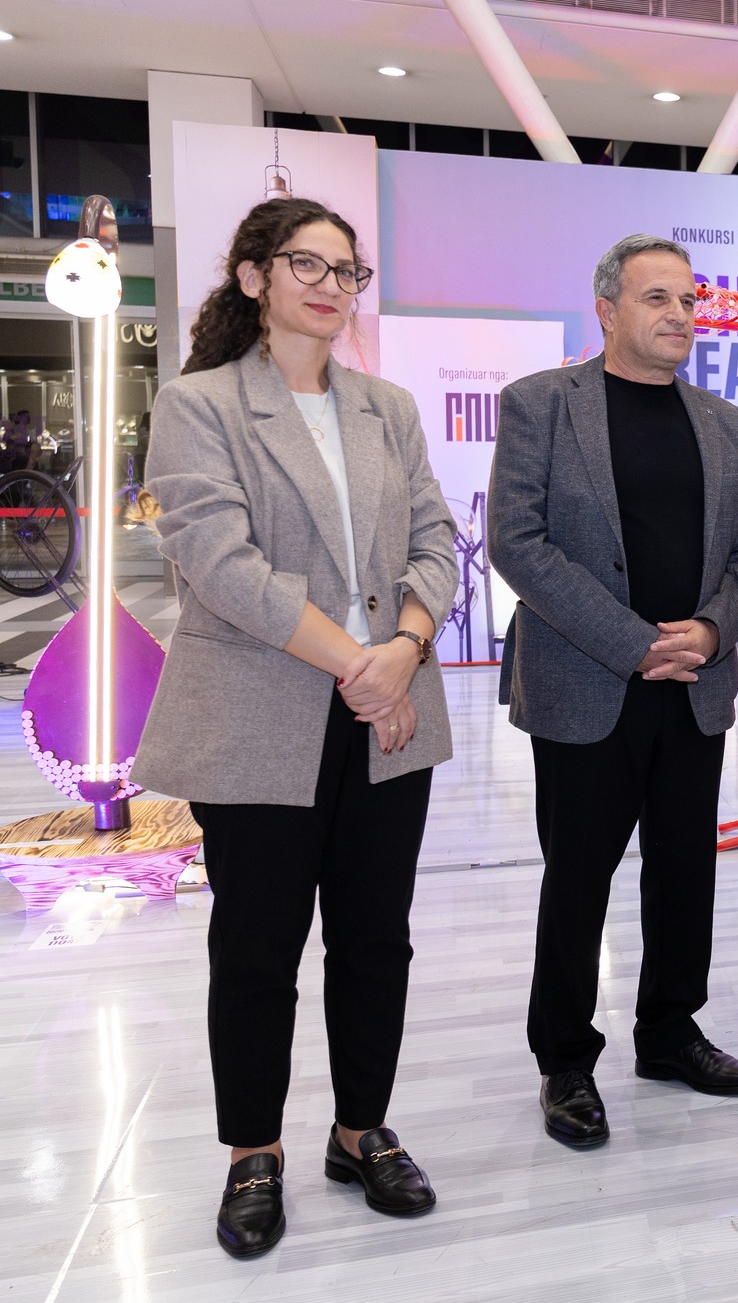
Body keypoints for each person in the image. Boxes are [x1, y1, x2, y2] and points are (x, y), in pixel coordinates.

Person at [133, 198, 456, 1256]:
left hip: (389, 716)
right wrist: (362, 664)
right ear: (253, 277)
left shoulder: (386, 407)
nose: (329, 285)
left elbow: (437, 541)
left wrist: (403, 649)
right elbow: (222, 567)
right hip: (261, 714)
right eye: (305, 264)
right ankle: (253, 1153)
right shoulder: (200, 403)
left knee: (376, 939)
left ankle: (360, 1132)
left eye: (345, 270)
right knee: (257, 950)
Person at [489, 235, 738, 1147]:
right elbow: (518, 542)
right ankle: (566, 1059)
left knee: (686, 871)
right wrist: (633, 642)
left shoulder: (720, 419)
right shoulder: (541, 403)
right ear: (608, 310)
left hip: (693, 683)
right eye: (658, 298)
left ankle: (670, 1031)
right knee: (578, 879)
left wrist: (712, 630)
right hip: (587, 683)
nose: (680, 315)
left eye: (689, 300)